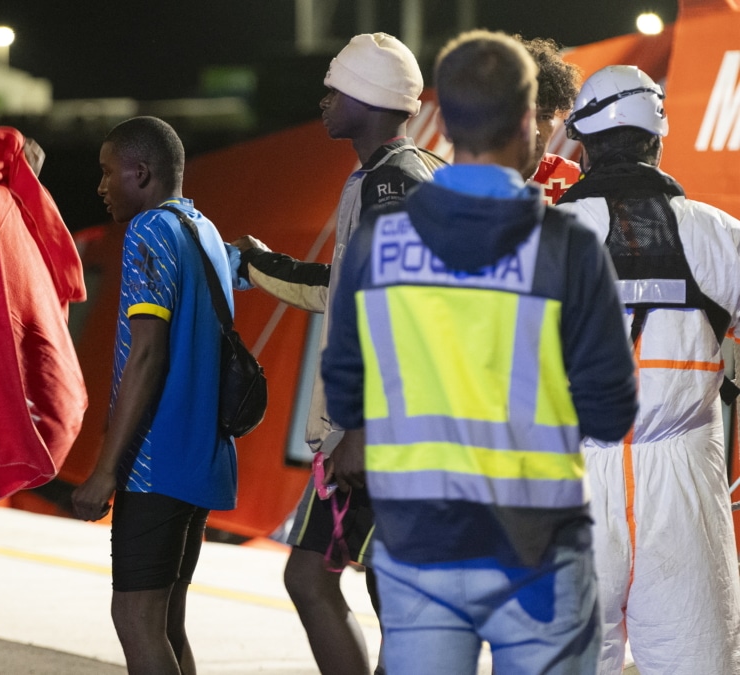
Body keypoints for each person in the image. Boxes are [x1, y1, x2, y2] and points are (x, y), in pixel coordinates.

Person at [321, 31, 638, 674]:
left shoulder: (379, 243)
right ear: (530, 122)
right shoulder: (570, 245)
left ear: (447, 121)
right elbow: (610, 413)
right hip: (539, 550)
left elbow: (350, 395)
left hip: (422, 545)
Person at [232, 32, 443, 675]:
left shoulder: (394, 186)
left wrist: (359, 427)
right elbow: (346, 288)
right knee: (353, 587)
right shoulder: (389, 178)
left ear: (367, 98)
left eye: (333, 89)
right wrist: (261, 265)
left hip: (387, 436)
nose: (322, 100)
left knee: (353, 588)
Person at [557, 65, 740, 674]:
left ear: (582, 145)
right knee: (697, 663)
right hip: (685, 478)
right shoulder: (719, 235)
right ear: (657, 139)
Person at [71, 116, 237, 674]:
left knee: (136, 619)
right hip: (200, 462)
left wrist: (105, 470)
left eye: (106, 171)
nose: (100, 186)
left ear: (140, 172)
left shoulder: (148, 231)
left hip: (155, 464)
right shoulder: (205, 231)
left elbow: (148, 354)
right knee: (167, 622)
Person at [517, 35, 582, 205]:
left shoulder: (579, 186)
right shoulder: (455, 188)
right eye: (522, 116)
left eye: (545, 117)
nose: (536, 130)